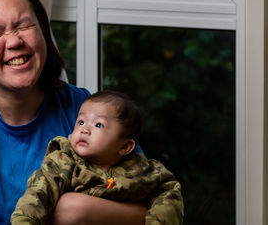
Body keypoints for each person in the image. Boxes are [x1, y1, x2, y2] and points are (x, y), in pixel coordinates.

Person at [0, 0, 159, 225]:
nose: (14, 41)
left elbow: (157, 207)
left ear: (43, 31)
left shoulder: (84, 110)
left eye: (24, 26)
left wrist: (75, 210)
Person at [11, 90, 184, 225]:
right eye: (81, 122)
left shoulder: (144, 171)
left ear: (125, 147)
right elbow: (37, 194)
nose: (85, 129)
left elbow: (168, 194)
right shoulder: (63, 161)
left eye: (98, 124)